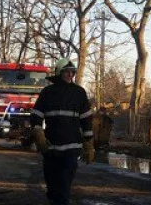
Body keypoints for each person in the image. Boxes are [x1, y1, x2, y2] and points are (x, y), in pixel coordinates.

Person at [30, 58, 94, 205]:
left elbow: (86, 119)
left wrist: (89, 142)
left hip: (72, 147)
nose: (70, 74)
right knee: (52, 184)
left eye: (72, 72)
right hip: (50, 147)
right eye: (67, 71)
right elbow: (36, 115)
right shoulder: (47, 92)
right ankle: (54, 196)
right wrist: (38, 132)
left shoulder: (79, 92)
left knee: (64, 184)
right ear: (59, 73)